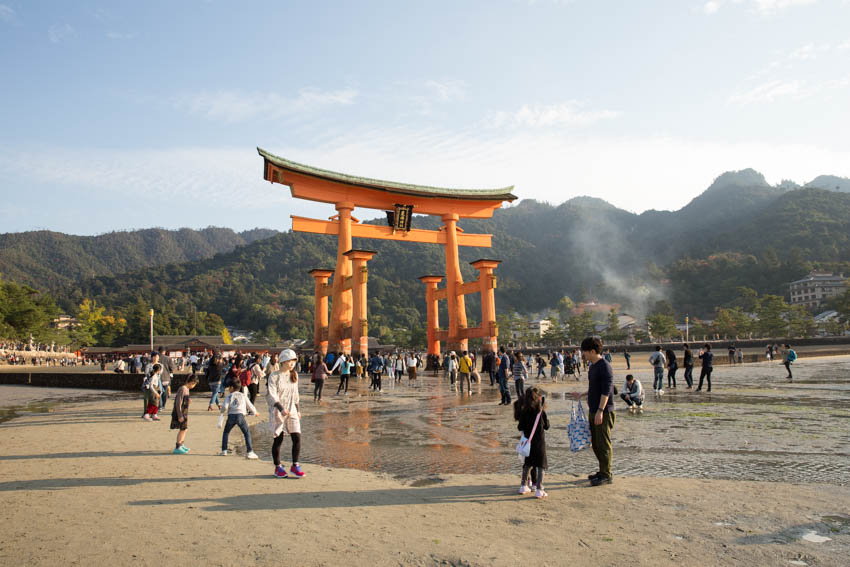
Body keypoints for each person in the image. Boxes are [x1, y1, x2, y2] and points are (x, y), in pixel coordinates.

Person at [572, 337, 615, 486]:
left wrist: (600, 411)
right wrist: (582, 395)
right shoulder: (593, 366)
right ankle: (602, 471)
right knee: (596, 443)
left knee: (603, 443)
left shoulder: (605, 366)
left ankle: (606, 475)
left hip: (604, 411)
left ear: (592, 351)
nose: (583, 354)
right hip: (593, 410)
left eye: (584, 351)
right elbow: (593, 388)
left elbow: (606, 391)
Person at [267, 349, 305, 478]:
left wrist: (298, 409)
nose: (292, 363)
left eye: (294, 361)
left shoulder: (294, 375)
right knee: (279, 439)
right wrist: (280, 408)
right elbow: (272, 395)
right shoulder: (274, 376)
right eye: (290, 361)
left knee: (297, 437)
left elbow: (295, 394)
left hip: (292, 409)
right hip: (278, 409)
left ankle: (295, 465)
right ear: (283, 361)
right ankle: (278, 467)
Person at [514, 388, 549, 498]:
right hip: (539, 443)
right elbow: (547, 426)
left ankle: (523, 485)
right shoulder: (540, 412)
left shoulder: (524, 412)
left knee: (528, 464)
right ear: (537, 398)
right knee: (540, 465)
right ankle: (539, 488)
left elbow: (520, 427)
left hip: (528, 443)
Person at [219, 378, 259, 459]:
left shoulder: (229, 396)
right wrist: (255, 412)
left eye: (229, 387)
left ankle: (224, 450)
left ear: (232, 388)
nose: (228, 389)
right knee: (246, 433)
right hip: (241, 416)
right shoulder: (243, 395)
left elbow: (224, 407)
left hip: (231, 416)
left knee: (226, 432)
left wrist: (222, 412)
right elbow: (249, 404)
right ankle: (249, 451)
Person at [170, 375, 198, 454]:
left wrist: (188, 400)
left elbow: (183, 400)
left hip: (184, 412)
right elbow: (178, 403)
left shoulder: (186, 389)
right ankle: (178, 447)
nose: (194, 386)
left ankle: (181, 444)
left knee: (184, 429)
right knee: (182, 429)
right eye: (194, 384)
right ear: (192, 382)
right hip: (180, 412)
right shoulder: (183, 389)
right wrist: (180, 415)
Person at [157, 347, 174, 411]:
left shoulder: (156, 358)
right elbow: (172, 368)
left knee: (159, 392)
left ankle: (160, 405)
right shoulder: (168, 358)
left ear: (158, 351)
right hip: (166, 378)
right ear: (164, 351)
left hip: (158, 377)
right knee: (165, 392)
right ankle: (163, 405)